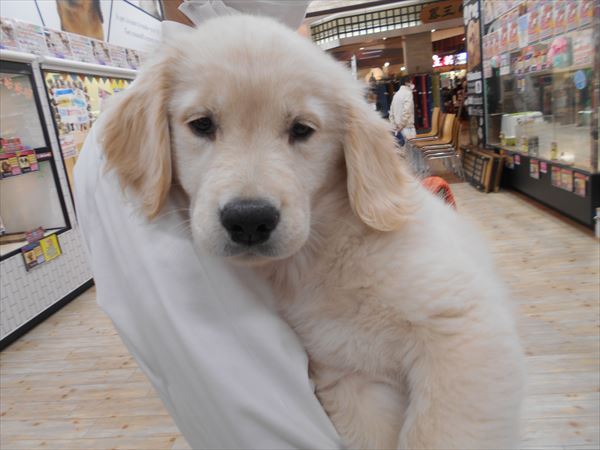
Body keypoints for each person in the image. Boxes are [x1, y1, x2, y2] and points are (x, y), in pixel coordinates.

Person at [388, 75, 416, 149]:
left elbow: (391, 113)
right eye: (411, 82)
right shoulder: (408, 93)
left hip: (398, 130)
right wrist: (401, 125)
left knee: (402, 152)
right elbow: (407, 111)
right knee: (410, 152)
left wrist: (394, 126)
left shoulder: (396, 95)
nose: (412, 84)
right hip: (407, 128)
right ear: (407, 83)